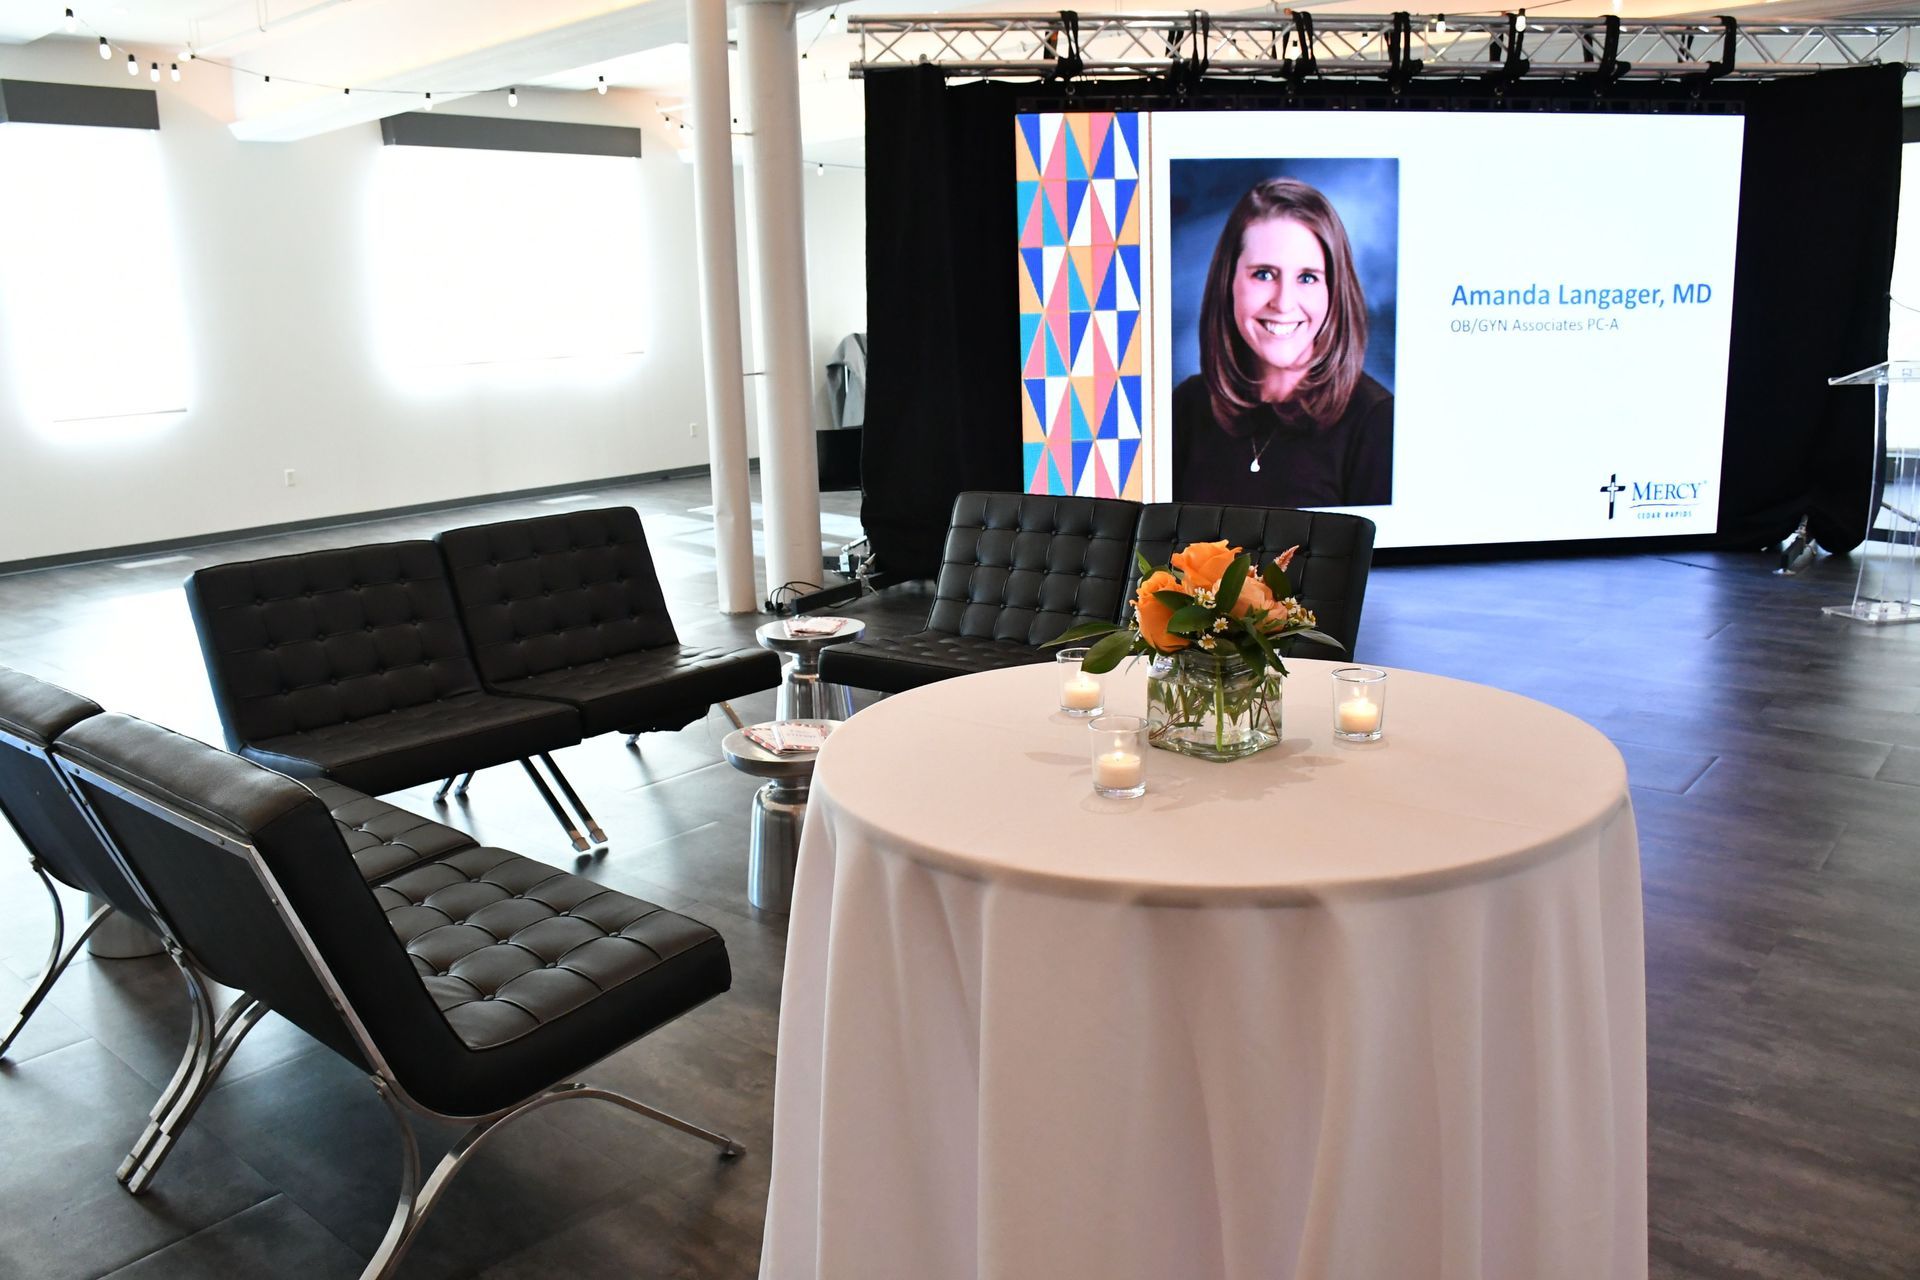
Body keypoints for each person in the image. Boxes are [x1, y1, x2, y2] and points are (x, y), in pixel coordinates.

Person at [1172, 177, 1393, 507]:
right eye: (1263, 274)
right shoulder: (1186, 407)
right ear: (1228, 281)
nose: (1284, 302)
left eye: (1307, 278)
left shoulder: (1376, 423)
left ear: (1334, 292)